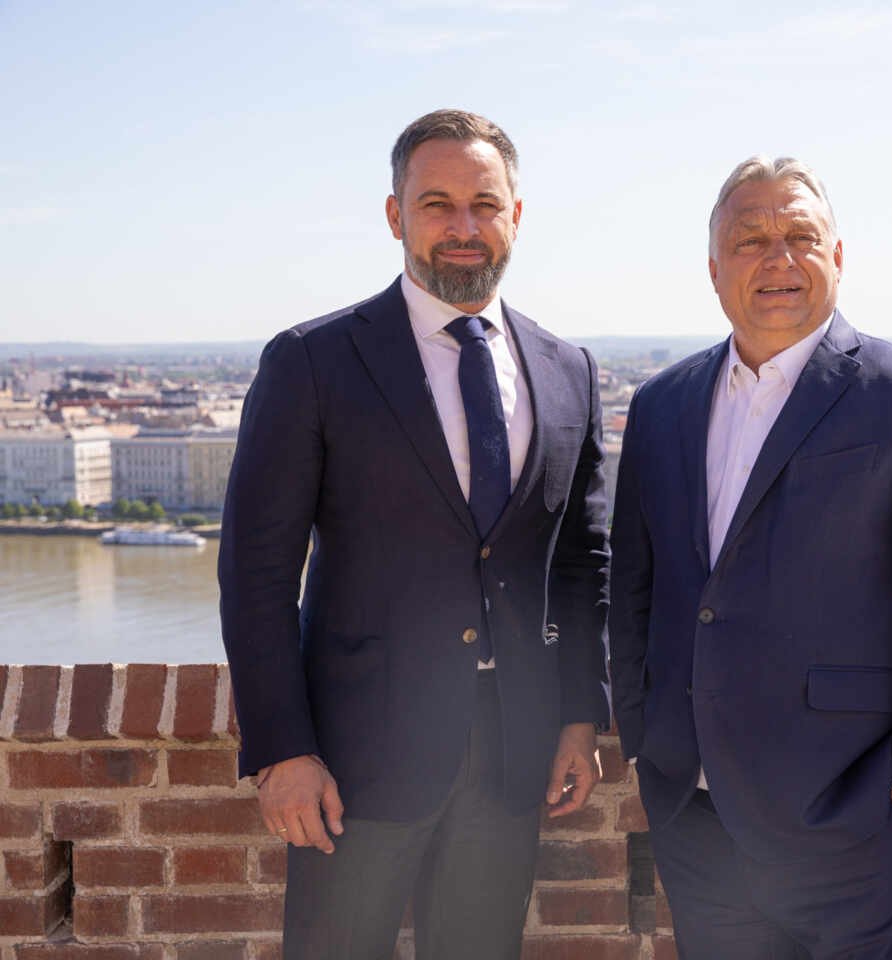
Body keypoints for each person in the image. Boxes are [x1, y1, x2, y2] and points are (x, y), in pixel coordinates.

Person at [219, 109, 610, 960]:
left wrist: (580, 718)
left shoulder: (567, 369)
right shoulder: (312, 362)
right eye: (437, 203)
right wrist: (282, 749)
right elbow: (256, 573)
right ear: (396, 216)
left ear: (516, 216)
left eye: (484, 203)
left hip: (514, 757)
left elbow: (579, 565)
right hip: (353, 764)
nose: (463, 227)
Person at [609, 156, 892, 959]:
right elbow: (635, 588)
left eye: (800, 235)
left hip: (856, 829)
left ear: (838, 256)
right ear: (715, 269)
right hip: (698, 821)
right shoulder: (661, 405)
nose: (777, 258)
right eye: (751, 239)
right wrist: (644, 743)